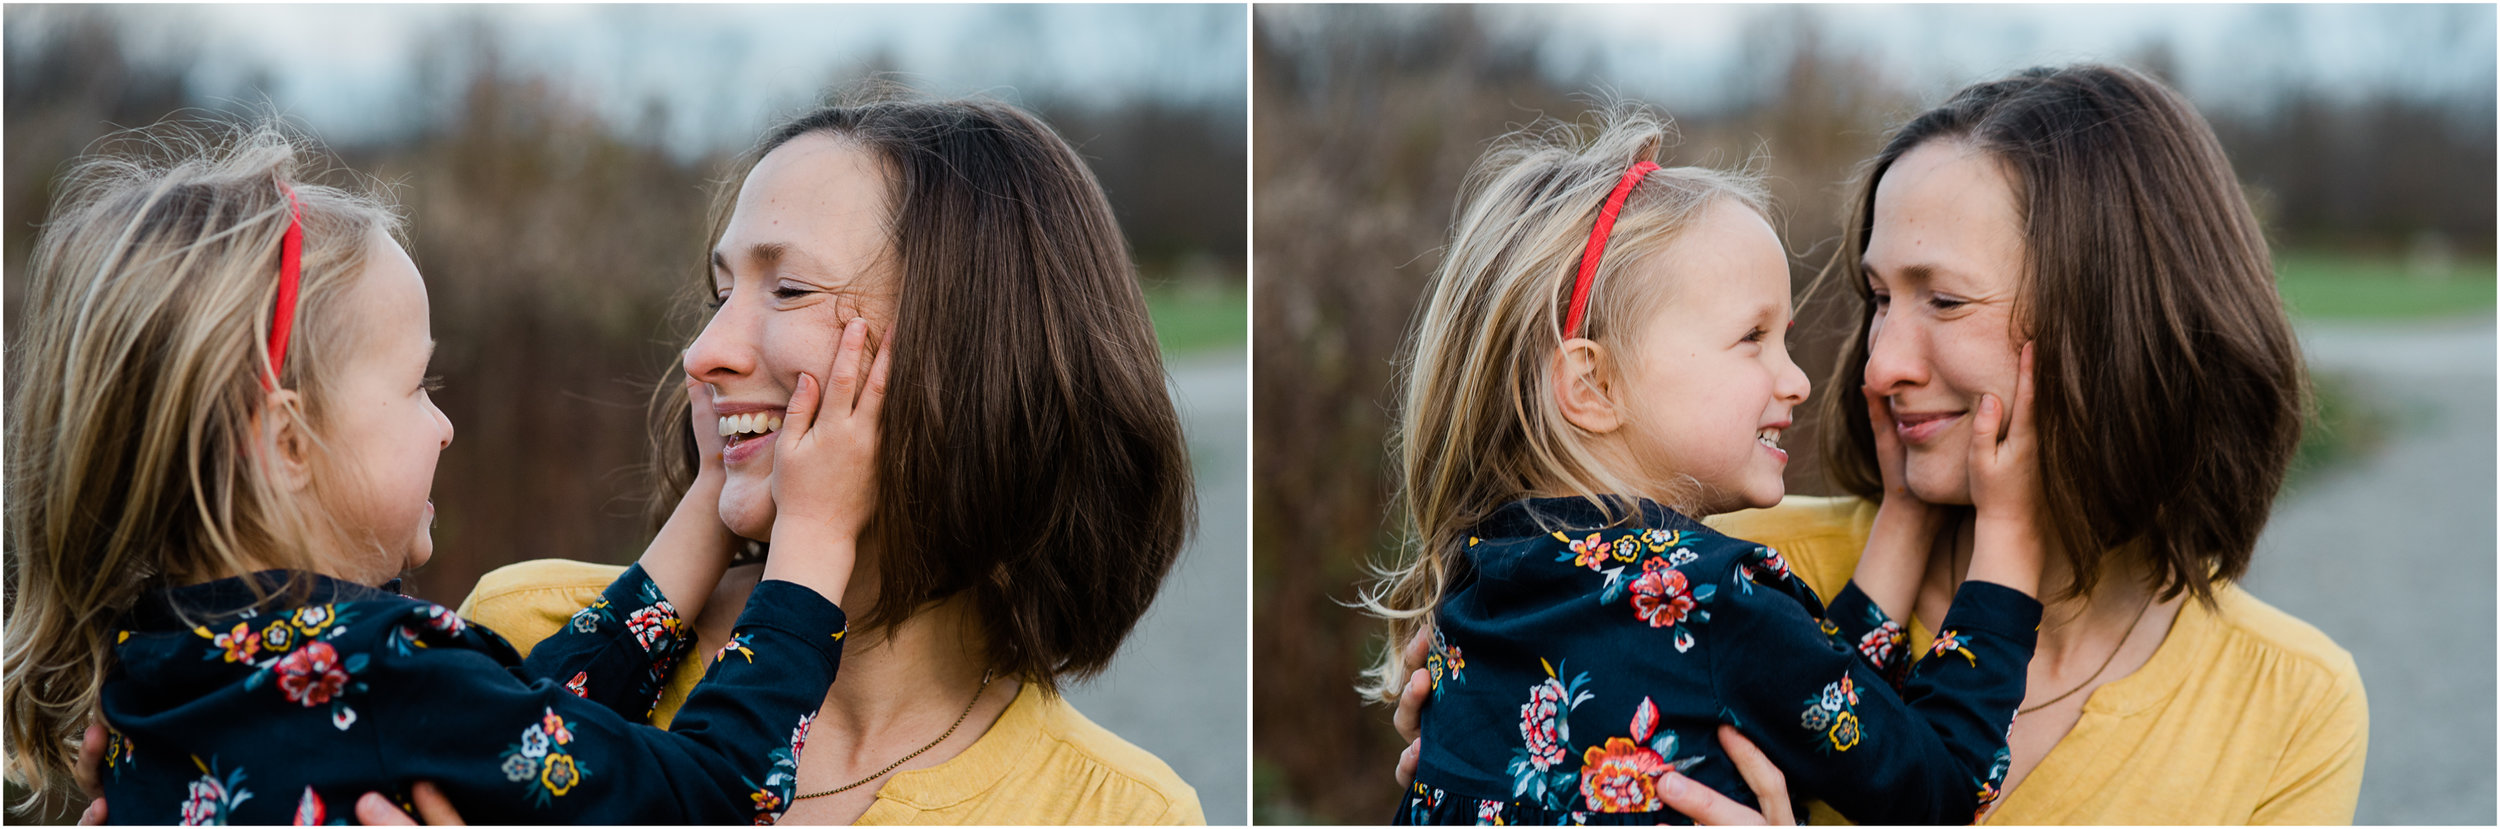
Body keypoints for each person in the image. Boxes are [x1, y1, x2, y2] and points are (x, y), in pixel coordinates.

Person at [1394, 64, 2367, 825]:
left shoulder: (2287, 705)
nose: (1874, 364)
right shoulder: (1757, 565)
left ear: (2115, 326)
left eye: (1941, 299)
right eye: (1875, 300)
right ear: (1589, 382)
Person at [2, 123, 887, 823]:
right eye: (417, 386)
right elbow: (706, 798)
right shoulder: (388, 672)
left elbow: (535, 717)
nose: (447, 425)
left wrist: (710, 500)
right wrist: (810, 542)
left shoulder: (156, 677)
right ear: (289, 443)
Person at [460, 94, 1206, 824]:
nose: (705, 351)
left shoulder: (1118, 812)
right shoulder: (524, 642)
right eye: (721, 294)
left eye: (788, 289)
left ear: (978, 352)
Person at [1362, 107, 2052, 825]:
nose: (1797, 381)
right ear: (1593, 385)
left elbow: (1817, 711)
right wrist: (2010, 540)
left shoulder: (1479, 588)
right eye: (1752, 338)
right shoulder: (1713, 596)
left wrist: (1904, 514)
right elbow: (1934, 790)